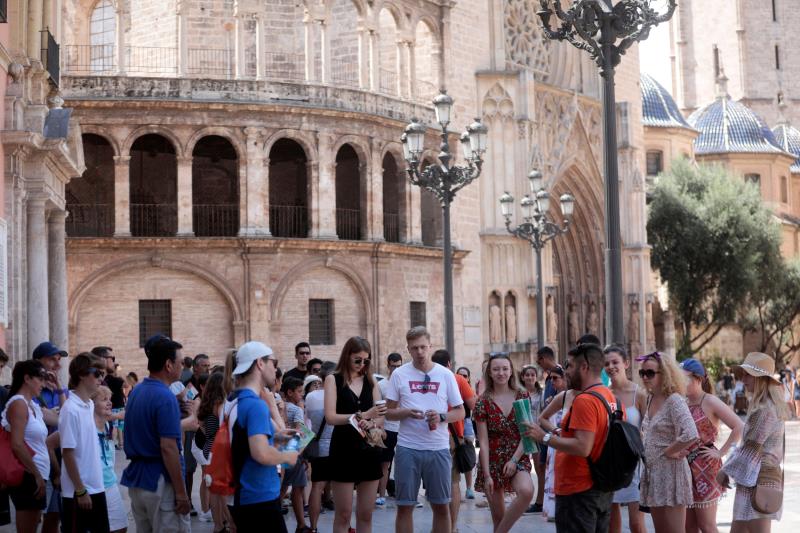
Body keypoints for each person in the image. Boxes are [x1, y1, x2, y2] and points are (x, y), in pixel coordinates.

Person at [523, 342, 618, 533]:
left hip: (578, 489)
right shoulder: (606, 394)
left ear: (584, 367)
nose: (566, 371)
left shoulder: (585, 400)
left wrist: (545, 437)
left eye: (570, 366)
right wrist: (560, 433)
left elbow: (583, 446)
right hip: (598, 487)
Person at [385, 327, 465, 533]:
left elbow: (460, 412)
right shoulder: (399, 375)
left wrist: (441, 417)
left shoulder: (445, 375)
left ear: (430, 346)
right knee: (404, 506)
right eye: (414, 348)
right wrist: (405, 413)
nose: (419, 352)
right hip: (407, 449)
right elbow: (388, 413)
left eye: (423, 347)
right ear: (408, 350)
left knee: (441, 506)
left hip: (438, 449)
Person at [121, 334, 191, 533]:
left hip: (139, 481)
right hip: (159, 481)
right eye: (181, 362)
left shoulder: (137, 391)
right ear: (169, 365)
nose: (183, 366)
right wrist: (181, 493)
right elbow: (168, 447)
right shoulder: (164, 396)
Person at [228, 341, 298, 532]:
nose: (275, 370)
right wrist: (288, 457)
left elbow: (277, 436)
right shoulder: (255, 405)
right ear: (260, 363)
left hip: (244, 496)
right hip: (259, 497)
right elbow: (261, 453)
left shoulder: (233, 401)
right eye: (273, 363)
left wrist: (274, 411)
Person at [717, 352, 789, 533]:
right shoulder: (766, 405)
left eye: (748, 374)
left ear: (761, 379)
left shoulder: (765, 409)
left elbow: (750, 449)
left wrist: (725, 471)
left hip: (759, 481)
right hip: (756, 480)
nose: (743, 379)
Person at [324, 337, 385, 533]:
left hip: (369, 448)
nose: (361, 364)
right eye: (357, 360)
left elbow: (380, 414)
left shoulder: (371, 380)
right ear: (347, 356)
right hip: (343, 449)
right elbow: (331, 417)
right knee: (343, 514)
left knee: (366, 513)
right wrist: (362, 416)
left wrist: (373, 422)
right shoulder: (333, 379)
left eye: (366, 361)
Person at [637, 351, 699, 533]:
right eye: (642, 373)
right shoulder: (650, 399)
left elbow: (691, 433)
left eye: (650, 373)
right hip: (654, 474)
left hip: (672, 474)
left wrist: (670, 451)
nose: (645, 377)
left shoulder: (674, 400)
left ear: (664, 374)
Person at [680, 358, 743, 533]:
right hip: (685, 468)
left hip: (705, 466)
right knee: (688, 527)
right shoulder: (682, 402)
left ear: (698, 379)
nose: (680, 382)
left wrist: (721, 453)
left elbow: (739, 426)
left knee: (706, 525)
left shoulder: (710, 401)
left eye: (684, 378)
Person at [474, 354, 533, 533]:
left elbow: (527, 434)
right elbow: (482, 442)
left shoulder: (522, 395)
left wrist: (514, 460)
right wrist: (486, 475)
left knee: (526, 491)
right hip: (491, 459)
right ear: (489, 373)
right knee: (498, 519)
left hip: (517, 454)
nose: (501, 373)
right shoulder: (483, 402)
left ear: (511, 372)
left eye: (505, 369)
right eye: (496, 369)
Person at [59, 353, 110, 532]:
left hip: (96, 487)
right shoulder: (70, 409)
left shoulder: (88, 405)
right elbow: (67, 452)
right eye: (96, 373)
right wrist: (80, 490)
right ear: (81, 374)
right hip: (78, 492)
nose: (101, 379)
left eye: (102, 374)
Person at [1, 360, 49, 533]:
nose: (44, 383)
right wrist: (36, 474)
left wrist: (59, 388)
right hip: (28, 475)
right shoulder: (18, 404)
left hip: (37, 474)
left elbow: (61, 419)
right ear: (27, 378)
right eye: (41, 378)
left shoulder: (32, 405)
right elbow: (17, 444)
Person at [431, 349, 476, 532]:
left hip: (429, 436)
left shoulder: (428, 378)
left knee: (435, 484)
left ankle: (441, 526)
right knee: (453, 483)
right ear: (449, 363)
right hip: (452, 436)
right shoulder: (458, 379)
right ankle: (451, 527)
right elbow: (474, 406)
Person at [603, 345, 646, 533]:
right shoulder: (604, 394)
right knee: (612, 524)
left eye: (615, 362)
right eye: (607, 363)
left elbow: (649, 427)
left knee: (636, 524)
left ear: (626, 364)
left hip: (635, 463)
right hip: (610, 462)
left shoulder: (640, 394)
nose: (611, 366)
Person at [32, 341, 68, 533]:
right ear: (38, 362)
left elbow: (66, 419)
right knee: (34, 516)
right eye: (52, 359)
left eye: (58, 360)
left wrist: (60, 387)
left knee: (54, 516)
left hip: (59, 457)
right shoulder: (30, 392)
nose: (57, 364)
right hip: (37, 459)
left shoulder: (61, 390)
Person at [195, 371, 232, 533]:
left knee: (215, 490)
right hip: (219, 448)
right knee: (223, 491)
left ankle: (218, 525)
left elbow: (201, 425)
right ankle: (230, 523)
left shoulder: (205, 403)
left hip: (208, 447)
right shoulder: (221, 403)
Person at [305, 361, 337, 533]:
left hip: (318, 449)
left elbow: (307, 420)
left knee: (316, 487)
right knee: (341, 488)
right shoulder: (339, 395)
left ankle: (314, 527)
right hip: (337, 447)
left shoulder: (311, 397)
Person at [92, 385, 129, 533]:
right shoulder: (86, 425)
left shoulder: (107, 424)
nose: (109, 403)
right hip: (93, 486)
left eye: (109, 399)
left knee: (121, 527)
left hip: (110, 482)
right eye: (104, 400)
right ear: (92, 404)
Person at [535, 366, 569, 521]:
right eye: (550, 379)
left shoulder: (569, 396)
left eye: (556, 378)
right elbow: (542, 418)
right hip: (555, 443)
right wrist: (556, 430)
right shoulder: (557, 397)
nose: (552, 382)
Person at [529, 345, 558, 514]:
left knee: (544, 466)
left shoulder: (556, 374)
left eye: (539, 361)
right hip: (545, 426)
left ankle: (542, 502)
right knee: (541, 465)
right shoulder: (549, 377)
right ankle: (542, 501)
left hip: (551, 426)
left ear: (543, 359)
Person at [281, 376, 311, 532]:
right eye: (299, 391)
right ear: (290, 392)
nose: (302, 394)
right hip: (293, 451)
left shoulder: (279, 405)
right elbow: (301, 432)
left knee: (282, 487)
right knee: (298, 489)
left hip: (280, 451)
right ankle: (301, 524)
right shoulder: (296, 409)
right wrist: (301, 454)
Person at [377, 352, 403, 504]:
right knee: (385, 464)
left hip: (404, 429)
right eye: (393, 366)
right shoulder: (381, 385)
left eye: (398, 366)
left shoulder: (405, 383)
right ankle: (381, 495)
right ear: (388, 366)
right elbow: (378, 409)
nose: (395, 369)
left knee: (403, 463)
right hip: (388, 428)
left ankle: (405, 494)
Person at [519, 365, 544, 513]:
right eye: (527, 375)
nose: (530, 377)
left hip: (536, 433)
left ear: (536, 377)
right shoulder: (519, 393)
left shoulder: (541, 393)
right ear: (522, 377)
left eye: (532, 374)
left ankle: (539, 501)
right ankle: (521, 500)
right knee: (521, 468)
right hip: (521, 434)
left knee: (539, 468)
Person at [455, 365, 476, 500]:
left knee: (467, 454)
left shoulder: (470, 392)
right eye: (460, 375)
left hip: (466, 422)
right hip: (453, 422)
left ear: (468, 379)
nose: (462, 378)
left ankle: (469, 488)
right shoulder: (451, 388)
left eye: (465, 376)